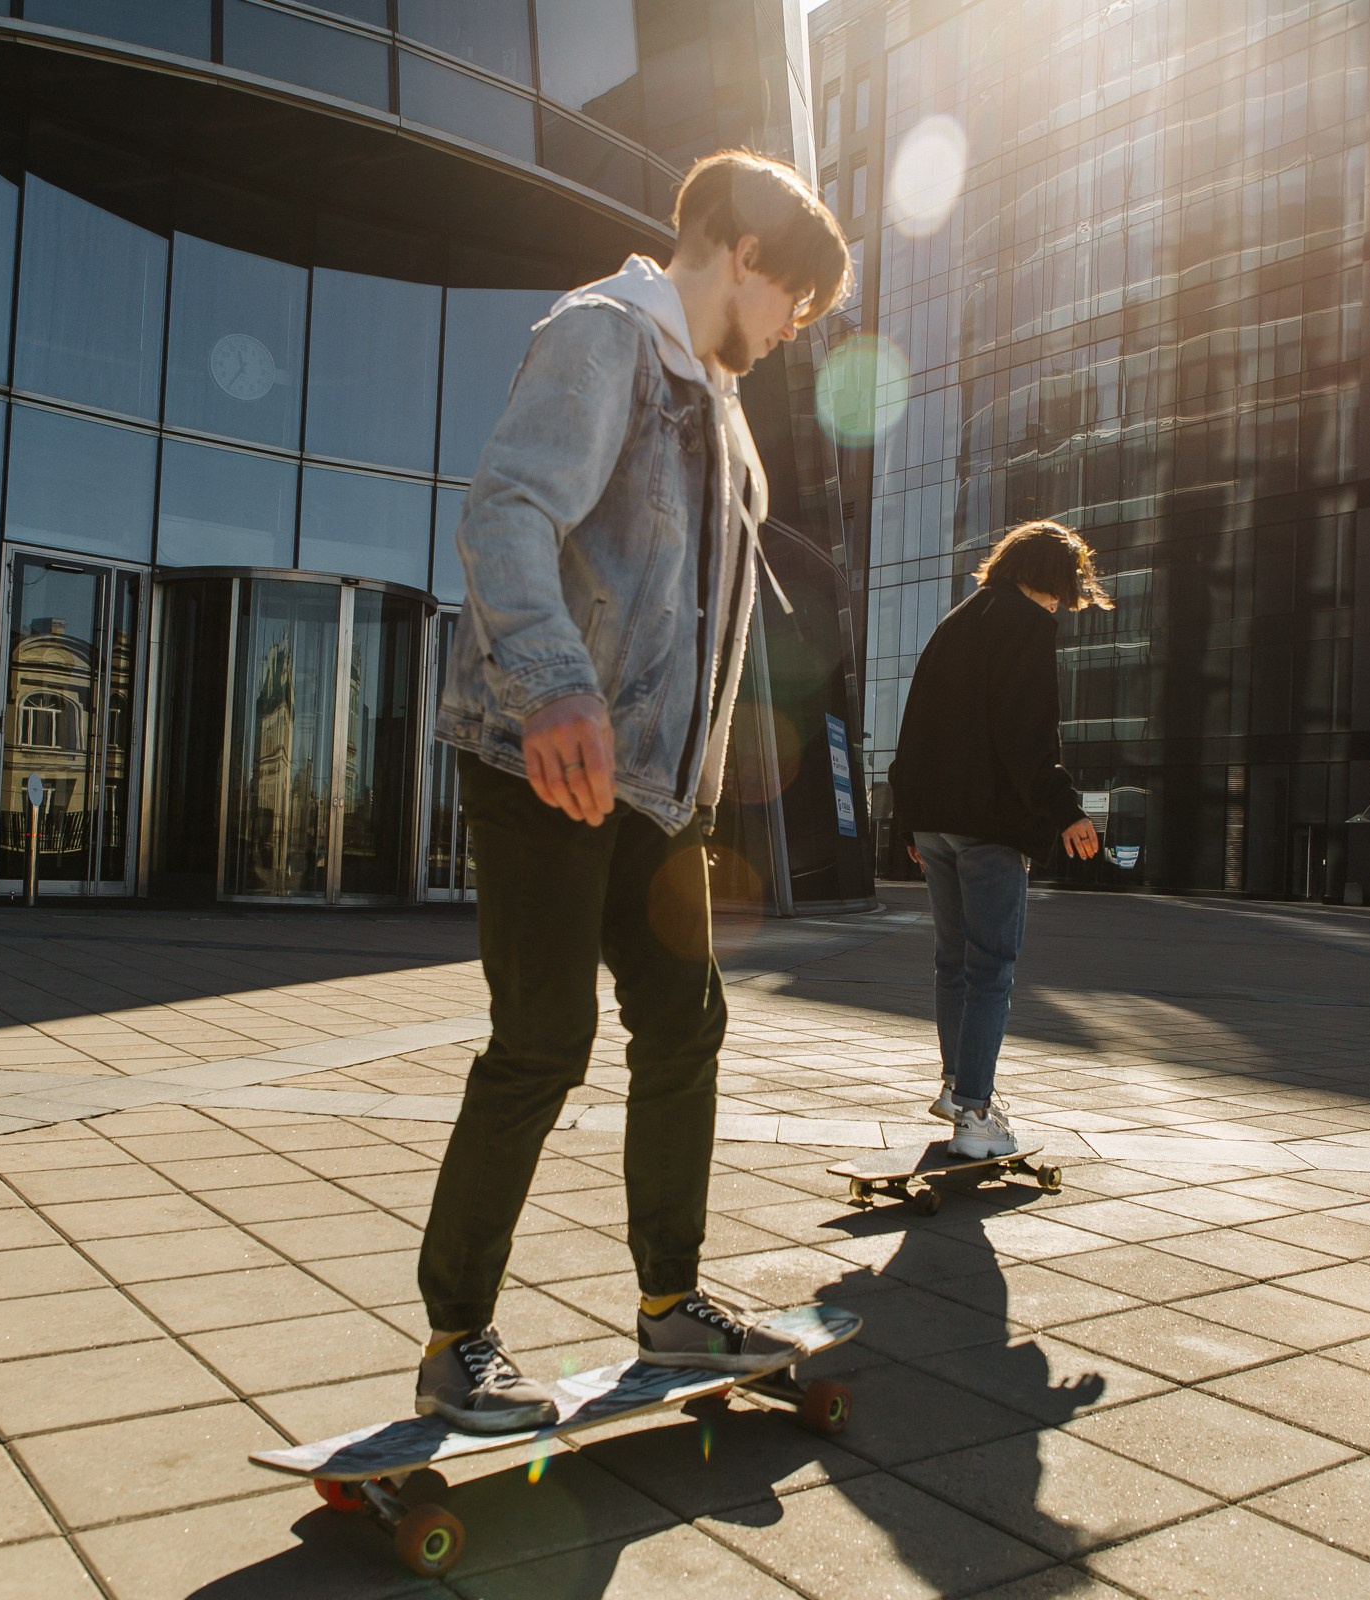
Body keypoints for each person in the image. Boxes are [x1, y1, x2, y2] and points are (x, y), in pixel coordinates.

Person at [412, 152, 852, 1432]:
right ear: (747, 252)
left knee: (686, 1023)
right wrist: (553, 685)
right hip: (545, 756)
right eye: (793, 302)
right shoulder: (605, 337)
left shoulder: (715, 403)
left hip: (659, 791)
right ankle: (457, 1338)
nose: (787, 333)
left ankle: (671, 1306)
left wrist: (707, 790)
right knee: (544, 1041)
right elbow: (507, 512)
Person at [887, 520, 1110, 1159]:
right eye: (1064, 594)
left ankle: (957, 1084)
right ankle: (975, 1115)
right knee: (992, 965)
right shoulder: (1025, 624)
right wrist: (1064, 809)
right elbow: (1027, 735)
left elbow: (916, 726)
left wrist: (910, 820)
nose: (1062, 607)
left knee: (953, 960)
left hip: (934, 824)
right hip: (987, 826)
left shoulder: (957, 621)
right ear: (1051, 580)